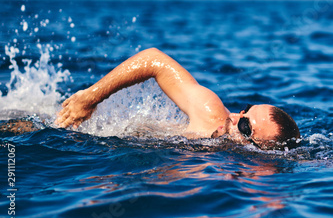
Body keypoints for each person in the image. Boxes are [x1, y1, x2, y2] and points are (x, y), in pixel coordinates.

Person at [55, 47, 300, 150]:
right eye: (245, 109)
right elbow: (153, 59)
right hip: (83, 132)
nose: (237, 117)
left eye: (245, 126)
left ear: (260, 150)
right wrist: (90, 98)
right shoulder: (212, 113)